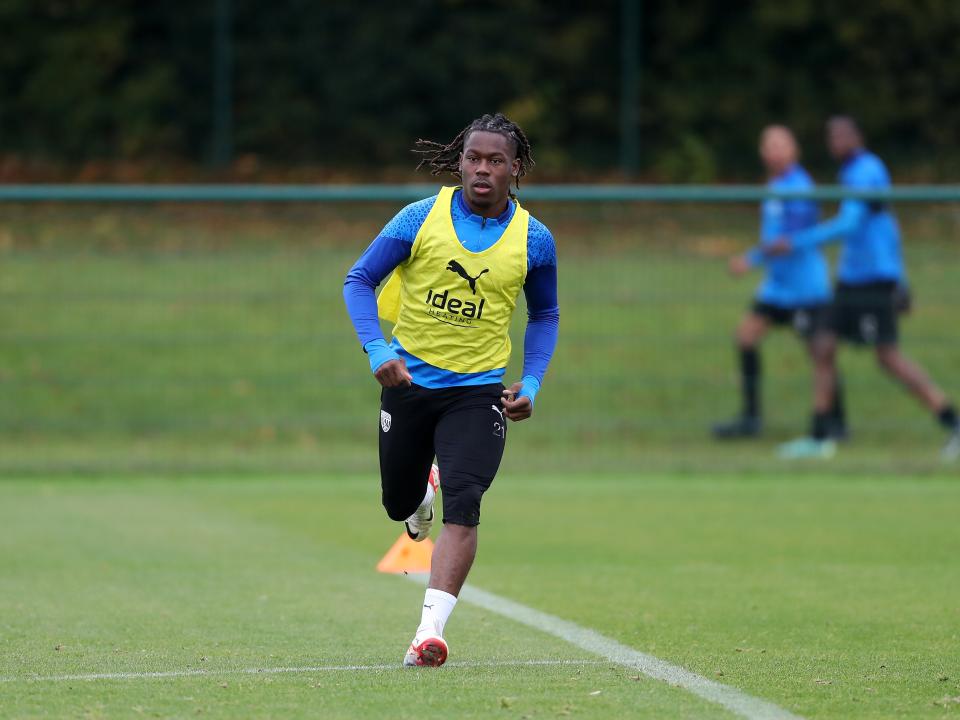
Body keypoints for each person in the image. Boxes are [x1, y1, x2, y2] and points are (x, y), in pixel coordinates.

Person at [342, 113, 560, 666]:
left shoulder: (534, 239)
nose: (482, 169)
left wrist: (532, 381)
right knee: (398, 504)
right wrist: (378, 350)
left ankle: (428, 634)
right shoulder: (420, 217)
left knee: (466, 502)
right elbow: (359, 279)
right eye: (473, 158)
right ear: (459, 163)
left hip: (479, 392)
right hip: (409, 382)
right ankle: (420, 493)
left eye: (496, 161)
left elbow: (545, 314)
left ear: (516, 169)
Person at [769, 116, 960, 460]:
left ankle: (953, 422)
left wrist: (797, 241)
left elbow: (850, 224)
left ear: (858, 137)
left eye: (844, 135)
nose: (838, 142)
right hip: (850, 279)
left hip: (874, 279)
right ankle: (820, 436)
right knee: (823, 346)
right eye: (832, 137)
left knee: (888, 358)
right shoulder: (850, 172)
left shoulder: (867, 170)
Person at [714, 125, 845, 441]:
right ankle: (751, 418)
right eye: (769, 146)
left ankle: (836, 423)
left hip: (806, 289)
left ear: (794, 151)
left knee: (820, 354)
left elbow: (787, 240)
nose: (774, 152)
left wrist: (750, 259)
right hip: (776, 288)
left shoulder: (800, 187)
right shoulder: (775, 185)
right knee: (746, 337)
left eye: (780, 145)